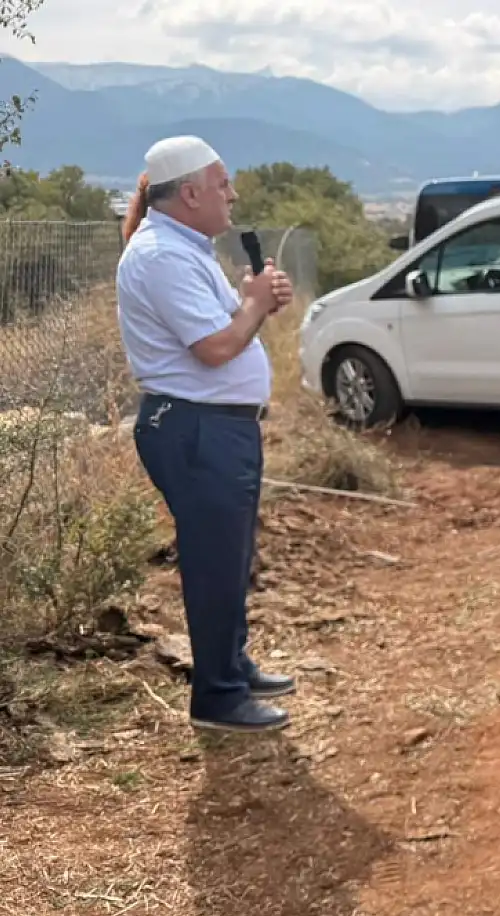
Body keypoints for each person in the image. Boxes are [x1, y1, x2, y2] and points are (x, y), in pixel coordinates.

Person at [116, 135, 296, 732]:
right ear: (190, 194)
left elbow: (227, 331)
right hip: (196, 430)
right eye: (223, 184)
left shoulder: (184, 249)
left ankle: (231, 666)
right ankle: (217, 697)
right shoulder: (161, 256)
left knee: (230, 555)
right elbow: (216, 348)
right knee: (215, 561)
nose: (232, 194)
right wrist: (255, 305)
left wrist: (255, 304)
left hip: (214, 428)